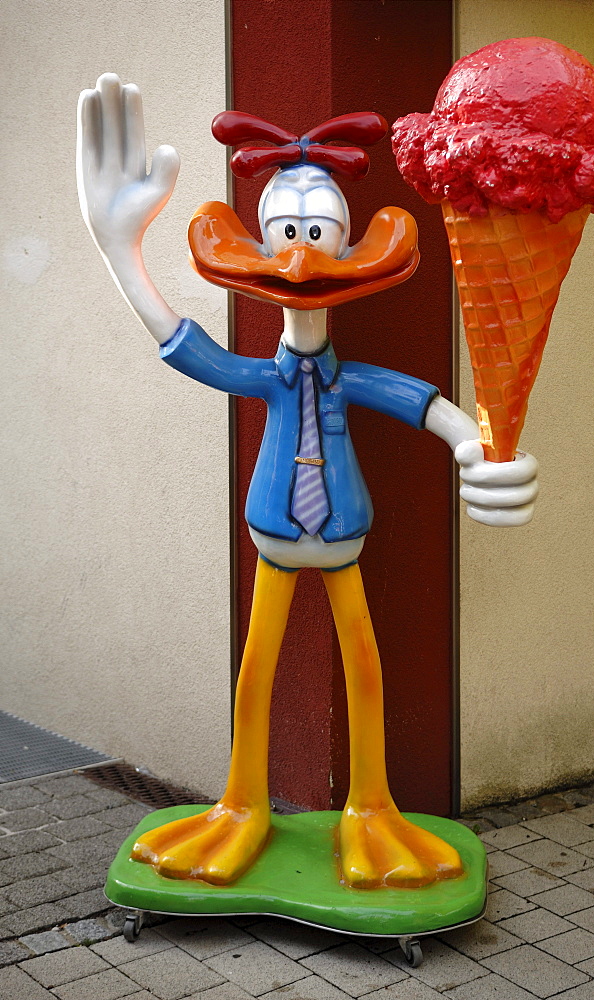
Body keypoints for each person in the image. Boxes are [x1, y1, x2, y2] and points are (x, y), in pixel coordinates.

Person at [77, 74, 538, 889]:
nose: (299, 254)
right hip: (276, 537)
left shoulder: (348, 375)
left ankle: (373, 808)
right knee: (255, 670)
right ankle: (240, 805)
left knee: (365, 665)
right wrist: (120, 252)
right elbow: (190, 348)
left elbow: (427, 407)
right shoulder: (269, 375)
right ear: (257, 240)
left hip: (343, 537)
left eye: (318, 231)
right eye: (286, 231)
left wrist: (480, 449)